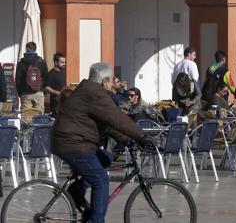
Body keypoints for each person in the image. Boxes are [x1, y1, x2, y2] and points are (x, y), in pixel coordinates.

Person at [51, 62, 151, 223]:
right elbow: (117, 118)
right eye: (111, 80)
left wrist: (126, 139)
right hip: (74, 144)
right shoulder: (96, 94)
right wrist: (141, 136)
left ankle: (75, 191)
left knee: (105, 158)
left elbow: (106, 124)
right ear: (104, 81)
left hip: (72, 141)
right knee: (101, 180)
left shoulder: (88, 90)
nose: (113, 84)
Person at [15, 42, 48, 115]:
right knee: (39, 118)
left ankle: (27, 126)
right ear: (35, 49)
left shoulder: (21, 63)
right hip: (39, 92)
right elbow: (46, 78)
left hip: (26, 93)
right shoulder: (42, 62)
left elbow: (18, 80)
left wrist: (21, 94)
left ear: (27, 49)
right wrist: (42, 91)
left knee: (26, 118)